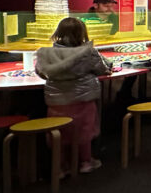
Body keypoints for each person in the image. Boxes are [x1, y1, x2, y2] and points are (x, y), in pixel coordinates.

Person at [34, 17, 112, 175]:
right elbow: (101, 68)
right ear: (82, 33)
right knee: (85, 132)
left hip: (56, 102)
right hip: (83, 100)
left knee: (59, 134)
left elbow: (41, 72)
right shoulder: (88, 52)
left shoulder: (47, 53)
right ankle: (86, 162)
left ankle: (62, 166)